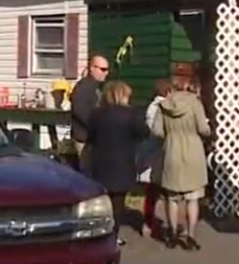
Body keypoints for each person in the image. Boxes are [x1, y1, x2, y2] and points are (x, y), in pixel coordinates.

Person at [150, 76, 212, 251]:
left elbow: (157, 131)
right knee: (193, 198)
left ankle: (172, 234)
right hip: (193, 152)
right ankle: (191, 235)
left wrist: (171, 133)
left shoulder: (164, 105)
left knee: (172, 198)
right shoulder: (195, 103)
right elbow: (203, 129)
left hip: (171, 151)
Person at [87, 81, 149, 246]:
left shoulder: (97, 114)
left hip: (101, 161)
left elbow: (90, 136)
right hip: (123, 162)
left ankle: (99, 234)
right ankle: (112, 236)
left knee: (101, 201)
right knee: (118, 203)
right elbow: (143, 133)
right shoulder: (131, 114)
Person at [139, 79, 172, 240]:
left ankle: (148, 224)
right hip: (159, 153)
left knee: (151, 193)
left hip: (150, 152)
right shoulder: (163, 108)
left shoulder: (151, 107)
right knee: (161, 192)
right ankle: (155, 224)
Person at [70, 55, 110, 173]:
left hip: (92, 136)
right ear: (92, 68)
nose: (106, 73)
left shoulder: (96, 87)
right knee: (87, 170)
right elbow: (80, 110)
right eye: (103, 69)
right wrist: (96, 125)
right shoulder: (84, 86)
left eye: (107, 70)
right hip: (84, 136)